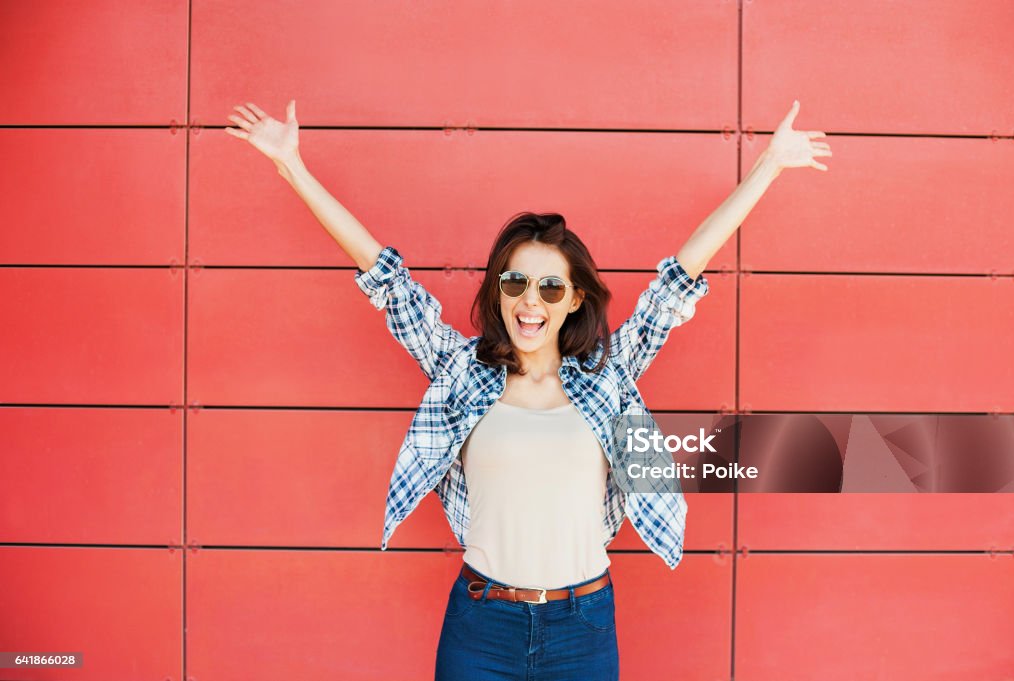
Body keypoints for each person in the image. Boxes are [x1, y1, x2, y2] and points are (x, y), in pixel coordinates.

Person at [226, 99, 830, 680]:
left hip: (582, 626)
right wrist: (292, 165)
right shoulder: (460, 371)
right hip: (481, 624)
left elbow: (678, 279)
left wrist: (768, 167)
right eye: (515, 282)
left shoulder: (607, 377)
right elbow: (386, 278)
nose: (529, 301)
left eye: (549, 288)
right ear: (498, 291)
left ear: (572, 301)